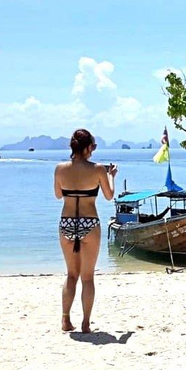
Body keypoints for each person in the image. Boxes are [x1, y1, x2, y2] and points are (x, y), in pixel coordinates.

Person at [54, 129, 117, 332]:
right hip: (89, 223)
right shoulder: (98, 169)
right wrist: (111, 176)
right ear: (88, 147)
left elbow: (57, 195)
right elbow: (109, 196)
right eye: (94, 146)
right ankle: (85, 323)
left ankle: (65, 319)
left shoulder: (60, 169)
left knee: (71, 274)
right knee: (87, 277)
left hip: (67, 222)